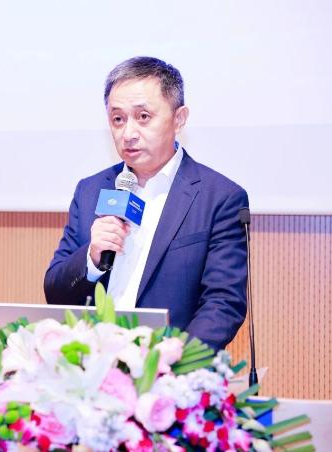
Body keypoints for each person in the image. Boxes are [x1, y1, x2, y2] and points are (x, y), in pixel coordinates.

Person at [44, 56, 248, 350]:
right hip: (93, 363)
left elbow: (223, 305)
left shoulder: (219, 197)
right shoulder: (90, 190)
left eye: (143, 117)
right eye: (118, 119)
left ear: (179, 119)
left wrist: (172, 364)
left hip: (168, 365)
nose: (128, 134)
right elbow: (55, 293)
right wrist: (91, 258)